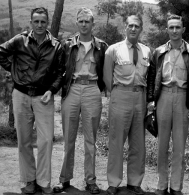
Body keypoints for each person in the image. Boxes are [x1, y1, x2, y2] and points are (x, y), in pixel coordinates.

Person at [0, 7, 64, 195]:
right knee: (24, 140)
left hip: (44, 97)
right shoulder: (20, 40)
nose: (39, 25)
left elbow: (61, 72)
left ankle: (44, 182)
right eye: (36, 21)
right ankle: (28, 180)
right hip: (21, 95)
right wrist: (13, 70)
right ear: (31, 22)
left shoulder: (56, 46)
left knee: (46, 141)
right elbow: (1, 52)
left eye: (43, 21)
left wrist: (52, 90)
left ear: (47, 23)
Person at [146, 14, 189, 195]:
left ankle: (176, 187)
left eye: (177, 27)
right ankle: (161, 185)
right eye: (171, 27)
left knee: (179, 146)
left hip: (183, 99)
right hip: (163, 97)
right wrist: (151, 100)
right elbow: (151, 78)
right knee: (162, 145)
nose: (174, 31)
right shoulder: (158, 52)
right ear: (166, 29)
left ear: (183, 29)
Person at [53, 7, 108, 194]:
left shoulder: (102, 46)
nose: (84, 24)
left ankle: (90, 181)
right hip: (72, 89)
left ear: (93, 24)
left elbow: (106, 72)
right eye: (81, 21)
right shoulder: (67, 45)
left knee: (90, 139)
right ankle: (64, 179)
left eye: (87, 21)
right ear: (77, 23)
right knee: (68, 137)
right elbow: (59, 69)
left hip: (92, 90)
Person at [103, 14, 151, 195]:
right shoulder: (113, 50)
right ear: (125, 27)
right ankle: (113, 182)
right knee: (116, 141)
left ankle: (134, 182)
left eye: (136, 26)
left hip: (140, 97)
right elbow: (107, 77)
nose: (133, 29)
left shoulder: (147, 51)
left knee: (138, 143)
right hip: (120, 95)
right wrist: (116, 94)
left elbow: (149, 76)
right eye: (130, 25)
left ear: (141, 29)